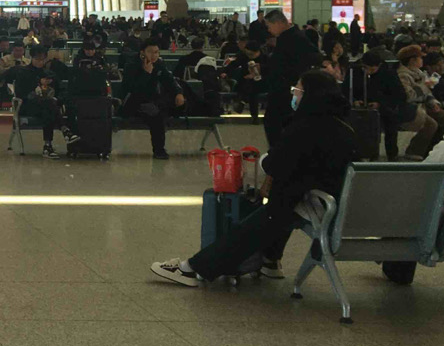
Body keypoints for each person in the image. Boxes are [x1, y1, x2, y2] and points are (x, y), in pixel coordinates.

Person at [151, 69, 359, 286]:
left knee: (267, 217)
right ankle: (270, 260)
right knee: (283, 203)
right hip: (342, 206)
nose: (294, 94)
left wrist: (266, 160)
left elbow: (274, 165)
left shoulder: (305, 127)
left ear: (310, 96)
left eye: (297, 90)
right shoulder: (346, 127)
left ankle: (194, 269)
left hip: (321, 206)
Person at [261, 9, 321, 146]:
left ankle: (279, 152)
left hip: (287, 89)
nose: (269, 30)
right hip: (285, 87)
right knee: (279, 123)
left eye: (269, 26)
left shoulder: (295, 38)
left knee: (276, 123)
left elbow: (311, 57)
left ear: (278, 23)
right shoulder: (288, 37)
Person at [120, 40, 185, 160]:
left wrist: (178, 93)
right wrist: (146, 73)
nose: (154, 55)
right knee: (156, 115)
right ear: (142, 53)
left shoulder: (159, 64)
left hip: (152, 101)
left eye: (156, 52)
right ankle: (159, 150)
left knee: (170, 107)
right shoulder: (131, 65)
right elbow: (132, 89)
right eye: (150, 52)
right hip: (134, 102)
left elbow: (170, 80)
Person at [13, 45, 77, 157]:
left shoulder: (50, 74)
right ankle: (64, 130)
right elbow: (21, 93)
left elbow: (61, 90)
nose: (40, 62)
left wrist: (57, 98)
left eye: (42, 59)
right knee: (49, 105)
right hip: (29, 106)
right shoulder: (23, 72)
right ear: (32, 58)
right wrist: (36, 87)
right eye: (37, 59)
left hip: (48, 106)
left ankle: (48, 146)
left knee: (49, 107)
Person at [397, 44, 444, 160]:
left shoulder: (419, 73)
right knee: (431, 124)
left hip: (424, 106)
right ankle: (414, 152)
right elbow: (409, 96)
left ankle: (437, 148)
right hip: (412, 108)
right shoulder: (403, 75)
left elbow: (427, 93)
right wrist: (424, 88)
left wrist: (433, 102)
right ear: (412, 60)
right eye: (420, 57)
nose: (422, 60)